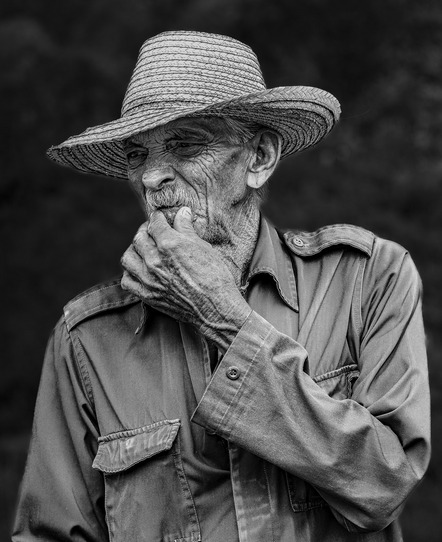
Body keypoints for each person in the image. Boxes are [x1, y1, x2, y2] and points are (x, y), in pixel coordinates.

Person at [13, 31, 430, 542]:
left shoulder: (369, 278)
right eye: (137, 155)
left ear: (259, 158)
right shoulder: (86, 340)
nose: (150, 177)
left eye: (185, 144)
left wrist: (222, 316)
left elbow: (383, 485)